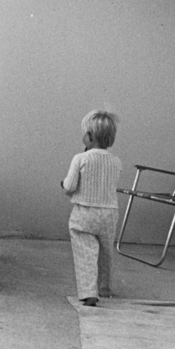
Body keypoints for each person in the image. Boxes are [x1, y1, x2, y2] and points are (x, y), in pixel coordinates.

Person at [61, 110, 122, 307]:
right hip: (110, 212)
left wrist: (63, 185)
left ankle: (89, 292)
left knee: (85, 252)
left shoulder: (80, 158)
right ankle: (105, 288)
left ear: (90, 136)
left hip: (84, 213)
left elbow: (70, 187)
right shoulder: (116, 161)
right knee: (106, 252)